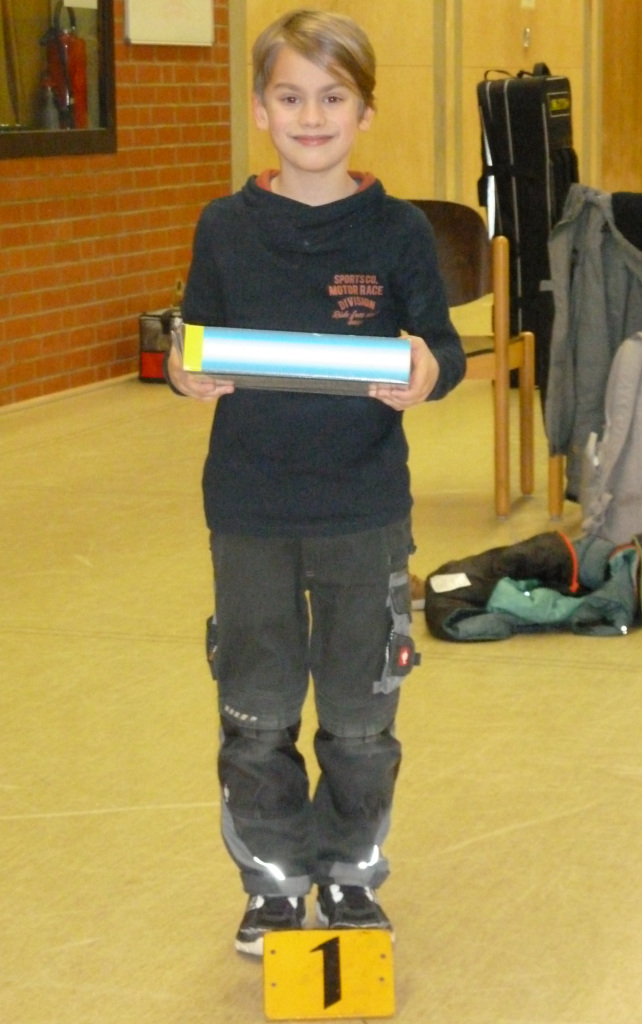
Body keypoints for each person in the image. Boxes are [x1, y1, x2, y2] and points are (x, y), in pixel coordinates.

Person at [164, 8, 465, 957]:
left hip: (362, 511)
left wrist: (427, 369)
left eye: (332, 98)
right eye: (290, 98)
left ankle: (349, 875)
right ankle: (273, 884)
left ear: (364, 112)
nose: (310, 117)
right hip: (250, 509)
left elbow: (443, 348)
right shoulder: (225, 227)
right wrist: (182, 369)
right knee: (255, 713)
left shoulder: (399, 231)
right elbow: (193, 338)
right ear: (260, 108)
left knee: (361, 717)